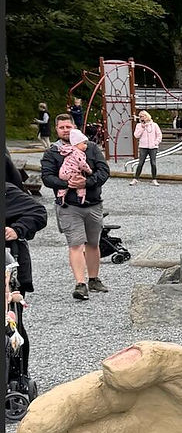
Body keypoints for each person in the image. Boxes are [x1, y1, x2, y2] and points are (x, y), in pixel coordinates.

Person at [40, 114, 111, 301]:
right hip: (69, 205)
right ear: (56, 129)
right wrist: (68, 184)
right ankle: (80, 284)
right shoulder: (52, 152)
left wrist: (86, 182)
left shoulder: (91, 147)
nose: (65, 130)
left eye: (68, 126)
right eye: (62, 127)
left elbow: (104, 171)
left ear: (75, 127)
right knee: (76, 244)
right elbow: (47, 177)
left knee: (93, 243)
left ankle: (94, 279)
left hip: (93, 203)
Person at [5, 177, 47, 373]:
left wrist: (17, 229)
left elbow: (38, 212)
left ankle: (20, 373)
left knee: (13, 325)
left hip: (9, 270)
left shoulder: (7, 192)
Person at [55, 129, 93, 205]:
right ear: (76, 144)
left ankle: (60, 197)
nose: (86, 145)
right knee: (80, 183)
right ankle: (81, 198)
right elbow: (82, 164)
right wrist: (89, 171)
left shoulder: (69, 150)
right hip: (72, 172)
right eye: (84, 143)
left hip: (63, 172)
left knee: (64, 187)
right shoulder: (78, 152)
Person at [132, 111, 163, 185]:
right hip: (143, 147)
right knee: (140, 163)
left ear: (147, 116)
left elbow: (159, 135)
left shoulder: (154, 125)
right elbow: (136, 135)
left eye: (143, 116)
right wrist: (142, 128)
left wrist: (156, 142)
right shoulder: (139, 125)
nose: (142, 118)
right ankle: (135, 178)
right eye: (140, 117)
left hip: (153, 147)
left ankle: (154, 179)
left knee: (153, 163)